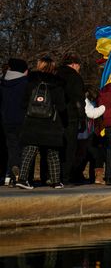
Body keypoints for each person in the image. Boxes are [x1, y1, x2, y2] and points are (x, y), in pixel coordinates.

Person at [16, 56, 67, 189]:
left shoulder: (30, 82)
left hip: (32, 121)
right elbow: (61, 106)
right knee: (53, 152)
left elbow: (23, 103)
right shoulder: (57, 84)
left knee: (29, 150)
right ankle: (56, 181)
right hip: (51, 122)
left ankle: (22, 179)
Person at [56, 54, 85, 183]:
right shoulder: (75, 77)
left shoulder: (56, 75)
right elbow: (79, 100)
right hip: (71, 116)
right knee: (70, 148)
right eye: (79, 66)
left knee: (56, 148)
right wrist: (82, 117)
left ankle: (53, 175)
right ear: (74, 64)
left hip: (56, 116)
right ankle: (66, 176)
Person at [1, 58, 28, 186]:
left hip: (6, 120)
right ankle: (20, 174)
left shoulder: (3, 82)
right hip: (22, 119)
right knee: (23, 148)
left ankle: (9, 174)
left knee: (11, 148)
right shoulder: (25, 83)